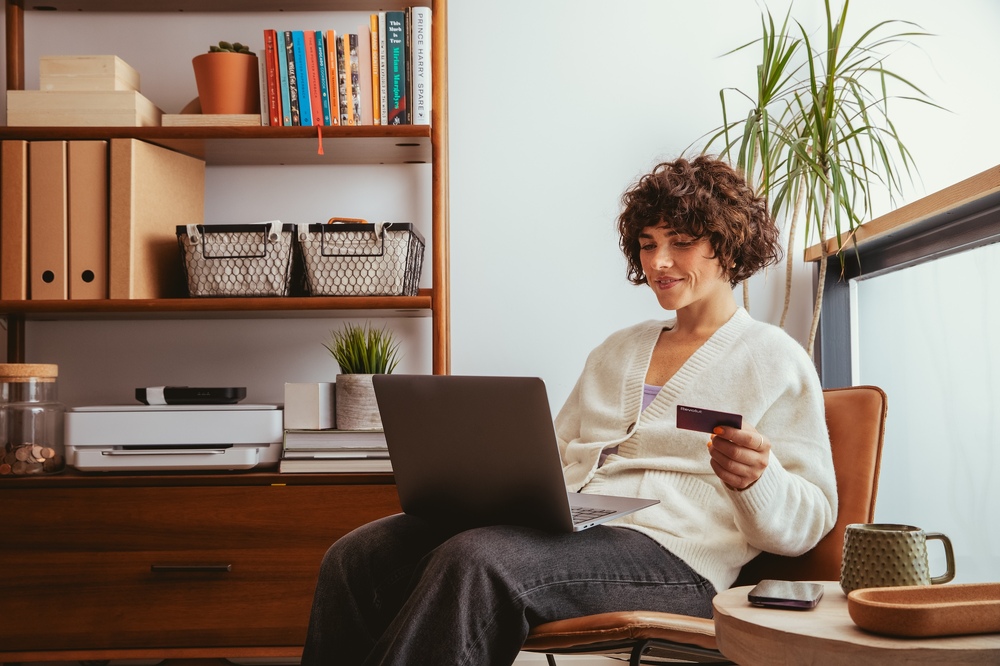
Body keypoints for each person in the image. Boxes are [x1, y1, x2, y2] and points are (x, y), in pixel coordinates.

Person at [301, 155, 838, 666]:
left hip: (677, 558)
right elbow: (552, 457)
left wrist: (757, 481)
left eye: (681, 243)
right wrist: (494, 490)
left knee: (479, 560)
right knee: (358, 555)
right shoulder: (616, 351)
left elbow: (812, 517)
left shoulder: (775, 359)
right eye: (648, 245)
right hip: (573, 529)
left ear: (728, 243)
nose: (659, 263)